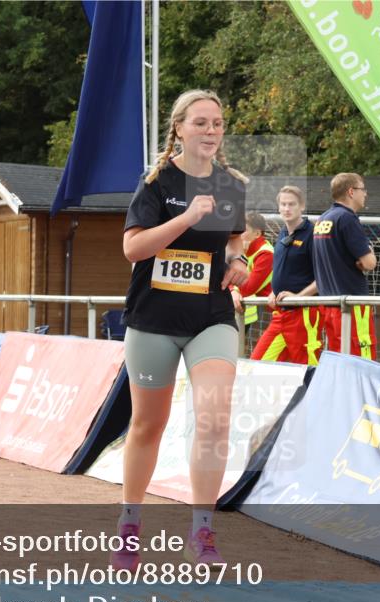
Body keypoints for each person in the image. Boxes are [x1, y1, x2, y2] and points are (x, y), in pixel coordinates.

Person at [113, 89, 248, 571]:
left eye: (218, 123)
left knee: (214, 419)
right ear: (179, 129)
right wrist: (187, 217)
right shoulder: (156, 184)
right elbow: (133, 250)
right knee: (149, 424)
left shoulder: (232, 185)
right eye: (201, 123)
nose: (211, 131)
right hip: (154, 320)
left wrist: (240, 261)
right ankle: (130, 528)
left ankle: (203, 532)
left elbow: (236, 237)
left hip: (210, 317)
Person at [250, 185, 324, 365]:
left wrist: (299, 297)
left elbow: (324, 277)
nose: (286, 209)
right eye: (283, 204)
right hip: (281, 313)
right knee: (257, 364)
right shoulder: (283, 233)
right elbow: (284, 270)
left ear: (302, 206)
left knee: (308, 368)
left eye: (291, 204)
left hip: (304, 314)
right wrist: (274, 291)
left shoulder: (313, 234)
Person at [312, 173, 377, 359]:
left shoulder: (322, 220)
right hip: (352, 305)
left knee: (340, 358)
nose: (365, 194)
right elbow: (369, 263)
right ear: (351, 191)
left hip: (329, 304)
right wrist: (369, 252)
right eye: (362, 189)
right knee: (361, 360)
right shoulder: (347, 218)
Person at [230, 212, 274, 327]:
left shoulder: (266, 253)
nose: (238, 234)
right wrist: (233, 290)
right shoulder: (246, 249)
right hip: (272, 312)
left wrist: (233, 289)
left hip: (282, 312)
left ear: (257, 233)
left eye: (243, 230)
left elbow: (248, 287)